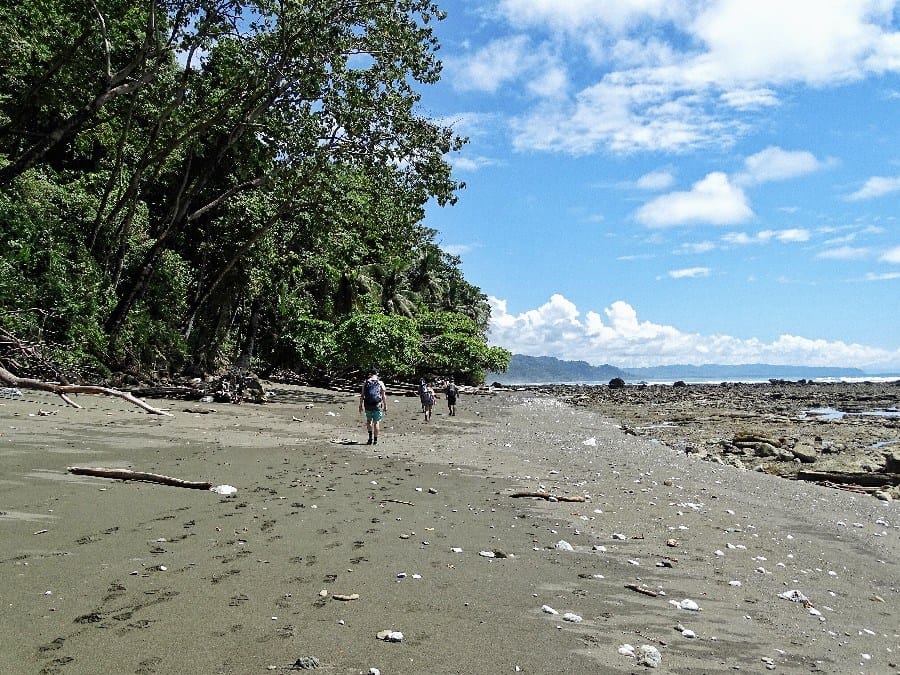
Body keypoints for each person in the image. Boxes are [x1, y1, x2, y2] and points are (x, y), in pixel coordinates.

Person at [359, 369, 387, 445]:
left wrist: (360, 405)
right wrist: (385, 405)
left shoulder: (366, 382)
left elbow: (362, 395)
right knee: (376, 422)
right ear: (377, 374)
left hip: (367, 404)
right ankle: (375, 440)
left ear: (370, 374)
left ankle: (370, 437)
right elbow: (383, 396)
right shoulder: (380, 383)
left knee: (369, 421)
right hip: (377, 404)